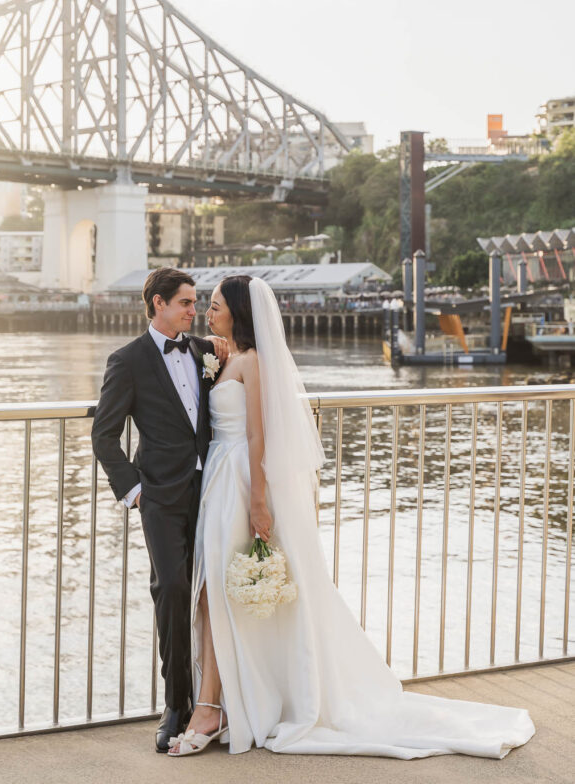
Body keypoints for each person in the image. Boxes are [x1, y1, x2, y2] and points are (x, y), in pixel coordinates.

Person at [168, 274, 535, 759]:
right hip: (218, 478)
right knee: (213, 590)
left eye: (214, 306)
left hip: (240, 480)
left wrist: (259, 500)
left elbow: (259, 436)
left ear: (237, 312)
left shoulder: (253, 362)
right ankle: (226, 700)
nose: (207, 313)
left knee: (224, 589)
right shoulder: (223, 356)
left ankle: (214, 708)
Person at [91, 267, 227, 753]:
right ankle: (177, 704)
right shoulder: (126, 360)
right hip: (159, 495)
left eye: (196, 303)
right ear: (158, 304)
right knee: (170, 588)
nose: (195, 311)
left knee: (213, 594)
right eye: (187, 303)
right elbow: (103, 435)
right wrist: (134, 491)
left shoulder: (206, 352)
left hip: (212, 489)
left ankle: (219, 698)